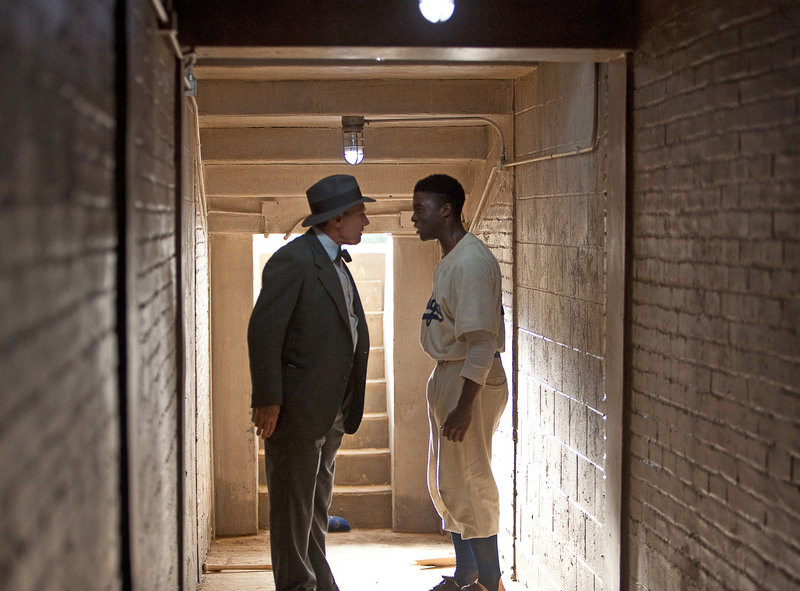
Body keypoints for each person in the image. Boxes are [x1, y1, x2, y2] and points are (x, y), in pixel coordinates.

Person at [248, 174, 373, 591]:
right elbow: (264, 332)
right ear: (336, 219)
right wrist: (267, 398)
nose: (366, 221)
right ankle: (296, 586)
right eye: (360, 213)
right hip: (297, 411)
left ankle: (318, 583)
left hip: (330, 410)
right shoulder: (294, 261)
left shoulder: (335, 259)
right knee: (291, 512)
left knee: (314, 510)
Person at [411, 174, 508, 591]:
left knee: (472, 481)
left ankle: (490, 582)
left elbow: (482, 342)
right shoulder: (451, 258)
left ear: (446, 210)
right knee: (445, 482)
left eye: (421, 210)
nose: (414, 218)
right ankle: (466, 573)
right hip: (452, 374)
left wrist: (465, 405)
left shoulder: (469, 261)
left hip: (472, 378)